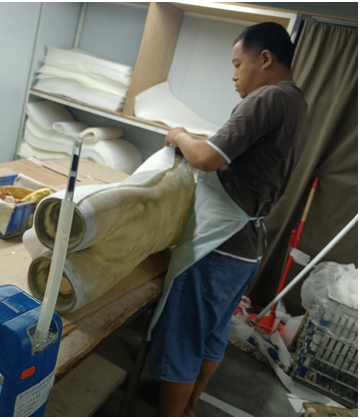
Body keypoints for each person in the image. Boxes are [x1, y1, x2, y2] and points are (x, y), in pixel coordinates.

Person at [148, 22, 309, 417]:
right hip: (246, 248)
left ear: (265, 58)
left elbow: (206, 159)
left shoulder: (266, 98)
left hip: (219, 245)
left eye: (238, 64)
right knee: (212, 333)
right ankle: (190, 406)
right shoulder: (297, 102)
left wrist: (179, 135)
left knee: (184, 339)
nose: (234, 75)